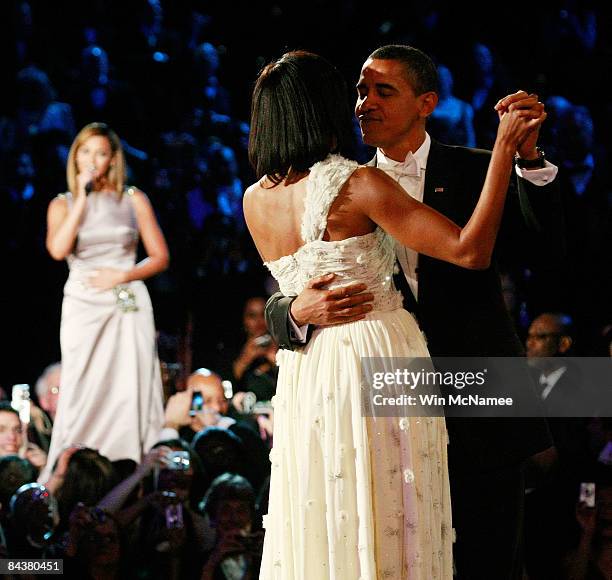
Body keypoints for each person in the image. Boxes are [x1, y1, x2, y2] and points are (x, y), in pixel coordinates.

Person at [245, 49, 546, 578]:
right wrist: (293, 310)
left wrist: (522, 161)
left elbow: (548, 248)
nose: (361, 104)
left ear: (425, 103)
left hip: (333, 380)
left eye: (380, 91)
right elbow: (468, 250)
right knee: (393, 525)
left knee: (344, 520)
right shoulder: (357, 183)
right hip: (382, 361)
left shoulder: (253, 199)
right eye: (354, 92)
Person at [40, 122, 168, 482]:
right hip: (83, 302)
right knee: (84, 382)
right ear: (75, 156)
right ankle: (75, 465)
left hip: (126, 299)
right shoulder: (62, 204)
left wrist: (122, 275)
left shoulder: (133, 199)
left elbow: (159, 256)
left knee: (129, 380)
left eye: (100, 152)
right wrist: (81, 197)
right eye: (85, 152)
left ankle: (134, 466)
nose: (92, 159)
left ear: (112, 158)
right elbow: (58, 249)